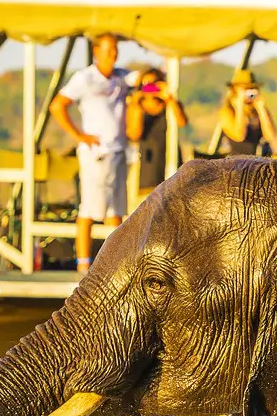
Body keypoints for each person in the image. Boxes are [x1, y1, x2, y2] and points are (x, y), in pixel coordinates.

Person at [50, 33, 130, 273]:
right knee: (90, 209)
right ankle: (83, 264)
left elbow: (147, 82)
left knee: (116, 210)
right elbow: (58, 105)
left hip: (118, 151)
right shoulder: (84, 78)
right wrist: (79, 136)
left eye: (115, 50)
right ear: (96, 52)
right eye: (108, 51)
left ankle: (116, 263)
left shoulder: (121, 78)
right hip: (96, 153)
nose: (112, 55)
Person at [127, 66, 187, 192]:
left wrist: (169, 98)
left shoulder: (169, 104)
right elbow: (134, 134)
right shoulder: (136, 106)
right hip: (147, 161)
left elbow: (182, 122)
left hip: (170, 156)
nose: (150, 88)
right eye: (146, 84)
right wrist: (137, 104)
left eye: (154, 83)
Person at [217, 69, 277, 157]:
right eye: (245, 89)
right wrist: (240, 106)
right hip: (236, 163)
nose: (249, 92)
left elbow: (271, 136)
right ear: (235, 89)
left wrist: (262, 109)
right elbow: (239, 135)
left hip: (256, 161)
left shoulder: (256, 110)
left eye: (252, 88)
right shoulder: (227, 111)